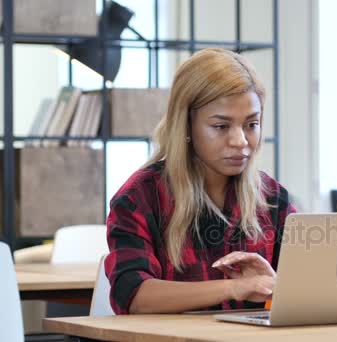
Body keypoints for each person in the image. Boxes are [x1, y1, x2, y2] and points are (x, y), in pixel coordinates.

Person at [104, 48, 296, 314]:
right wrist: (233, 287)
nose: (240, 141)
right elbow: (135, 296)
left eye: (251, 124)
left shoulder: (273, 198)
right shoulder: (141, 197)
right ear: (186, 126)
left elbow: (306, 298)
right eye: (221, 126)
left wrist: (276, 286)